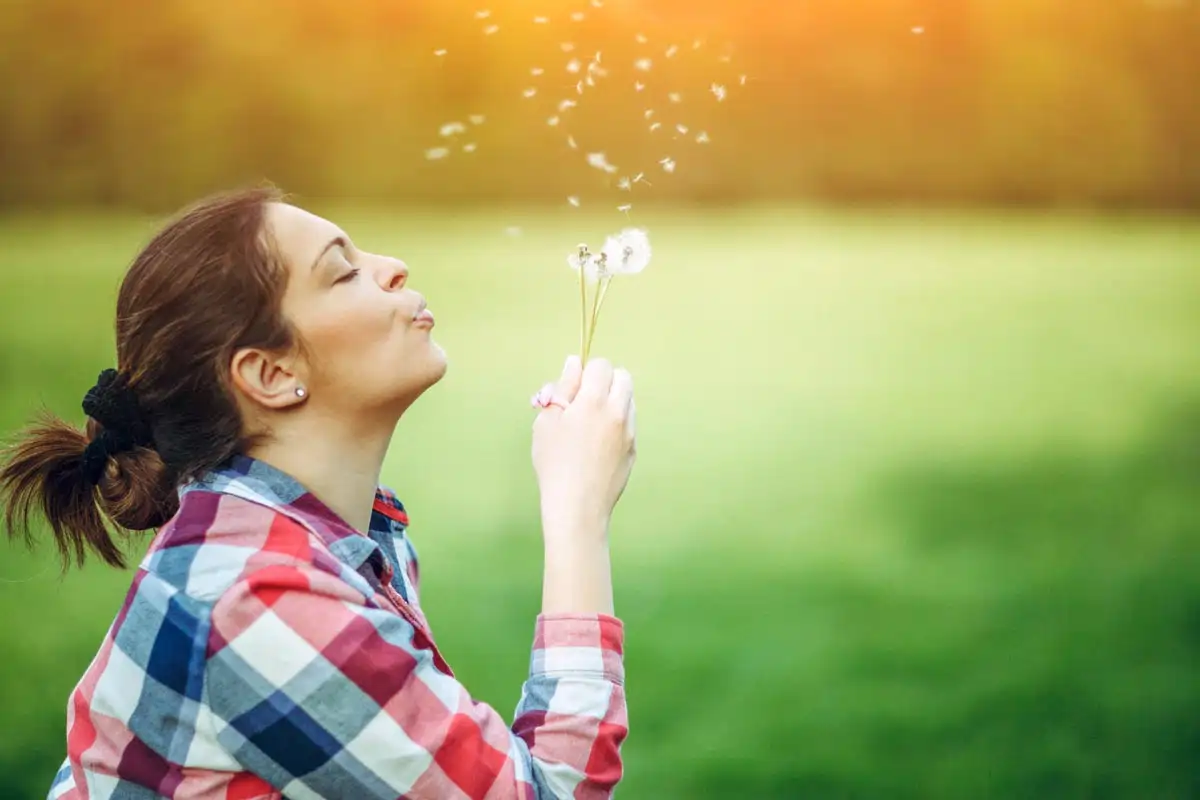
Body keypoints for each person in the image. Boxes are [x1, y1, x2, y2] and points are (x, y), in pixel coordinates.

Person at [0, 185, 636, 800]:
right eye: (344, 272)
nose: (393, 268)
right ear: (272, 374)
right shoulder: (257, 597)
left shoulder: (334, 540)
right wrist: (577, 513)